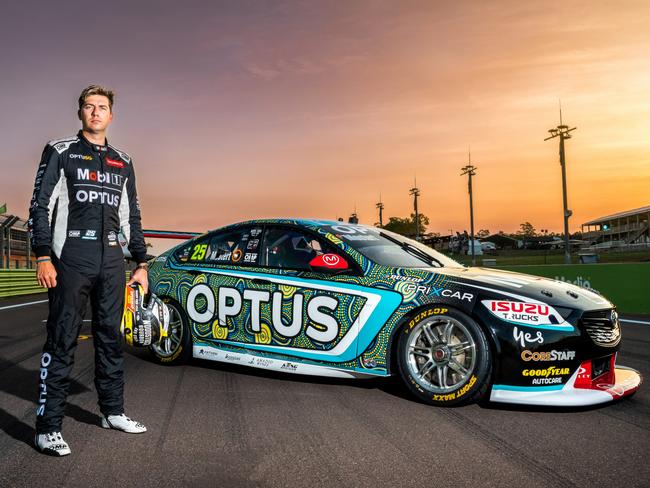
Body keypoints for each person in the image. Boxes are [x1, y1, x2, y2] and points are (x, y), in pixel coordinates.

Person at [28, 85, 149, 456]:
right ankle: (47, 428)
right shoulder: (61, 150)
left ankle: (112, 411)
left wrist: (141, 262)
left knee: (111, 338)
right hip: (72, 256)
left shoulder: (123, 160)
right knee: (63, 338)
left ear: (111, 115)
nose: (96, 112)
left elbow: (132, 217)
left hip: (112, 258)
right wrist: (43, 255)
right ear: (80, 112)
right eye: (89, 106)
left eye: (102, 107)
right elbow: (39, 204)